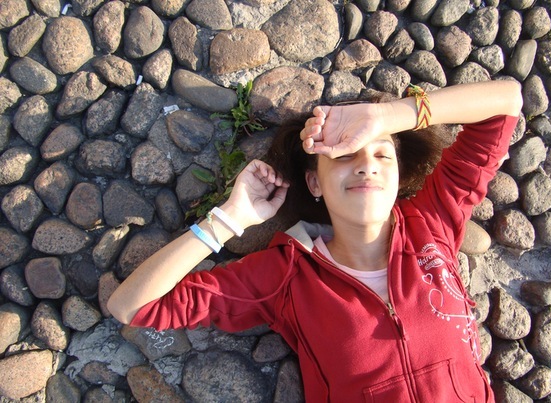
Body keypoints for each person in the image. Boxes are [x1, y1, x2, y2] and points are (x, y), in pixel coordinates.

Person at [108, 80, 523, 402]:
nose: (366, 165)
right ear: (314, 183)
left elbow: (507, 101)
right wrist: (229, 219)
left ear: (399, 177)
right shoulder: (285, 276)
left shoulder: (432, 221)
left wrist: (386, 116)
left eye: (382, 154)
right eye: (343, 155)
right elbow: (131, 306)